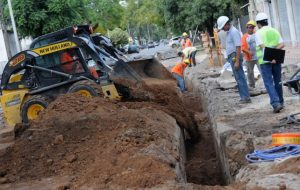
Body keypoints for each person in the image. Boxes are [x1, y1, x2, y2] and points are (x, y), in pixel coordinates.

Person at [217, 16, 251, 103]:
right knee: (238, 77)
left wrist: (236, 61)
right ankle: (244, 97)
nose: (222, 29)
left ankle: (246, 97)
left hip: (235, 56)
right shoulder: (229, 32)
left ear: (226, 24)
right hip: (233, 56)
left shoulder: (234, 32)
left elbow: (238, 47)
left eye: (222, 27)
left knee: (240, 77)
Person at [255, 13, 285, 113]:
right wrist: (274, 54)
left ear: (259, 23)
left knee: (268, 82)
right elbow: (282, 44)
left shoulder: (258, 33)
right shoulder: (274, 30)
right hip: (276, 59)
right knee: (278, 81)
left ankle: (276, 103)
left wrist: (270, 56)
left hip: (265, 61)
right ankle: (280, 102)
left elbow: (262, 46)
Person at [241, 20, 260, 89]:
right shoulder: (244, 37)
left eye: (252, 27)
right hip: (249, 58)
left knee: (262, 70)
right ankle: (252, 85)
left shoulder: (256, 35)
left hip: (258, 57)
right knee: (250, 73)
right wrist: (249, 52)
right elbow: (243, 48)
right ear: (247, 28)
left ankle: (264, 84)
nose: (251, 28)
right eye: (249, 27)